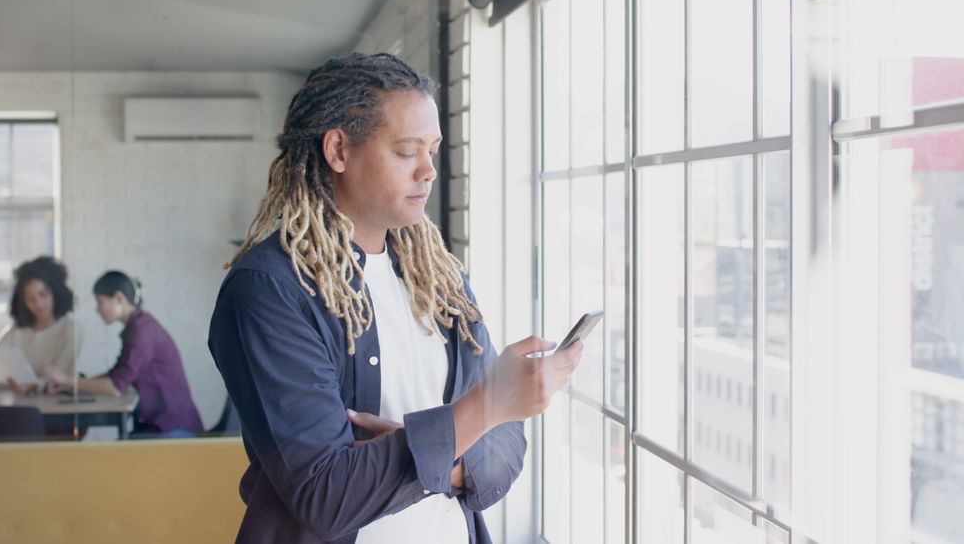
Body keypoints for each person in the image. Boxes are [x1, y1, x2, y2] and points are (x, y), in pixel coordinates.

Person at [208, 53, 583, 544]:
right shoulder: (270, 290)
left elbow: (507, 452)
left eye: (432, 150)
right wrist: (485, 409)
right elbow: (326, 494)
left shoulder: (439, 279)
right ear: (339, 150)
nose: (428, 171)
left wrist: (438, 453)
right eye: (407, 151)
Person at [44, 270, 203, 437]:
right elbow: (117, 375)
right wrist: (70, 384)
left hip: (173, 428)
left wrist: (67, 379)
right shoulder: (140, 326)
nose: (97, 310)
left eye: (100, 302)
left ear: (119, 298)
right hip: (164, 424)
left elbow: (115, 387)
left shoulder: (142, 333)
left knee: (116, 455)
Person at [0, 256, 79, 388]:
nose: (38, 304)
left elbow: (57, 378)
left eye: (43, 295)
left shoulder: (71, 330)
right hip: (15, 404)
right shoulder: (16, 332)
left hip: (53, 405)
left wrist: (25, 382)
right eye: (30, 299)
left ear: (56, 293)